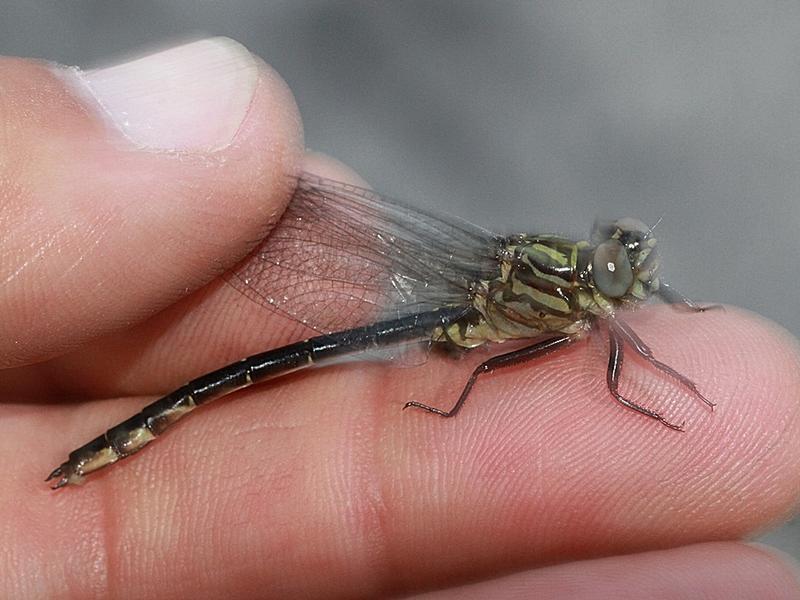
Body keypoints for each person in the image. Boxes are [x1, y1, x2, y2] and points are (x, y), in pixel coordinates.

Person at [1, 37, 798, 599]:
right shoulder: (575, 300)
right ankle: (116, 441)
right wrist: (644, 384)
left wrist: (671, 317)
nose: (634, 280)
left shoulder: (594, 299)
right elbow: (527, 362)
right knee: (315, 358)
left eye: (635, 271)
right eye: (625, 269)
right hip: (451, 314)